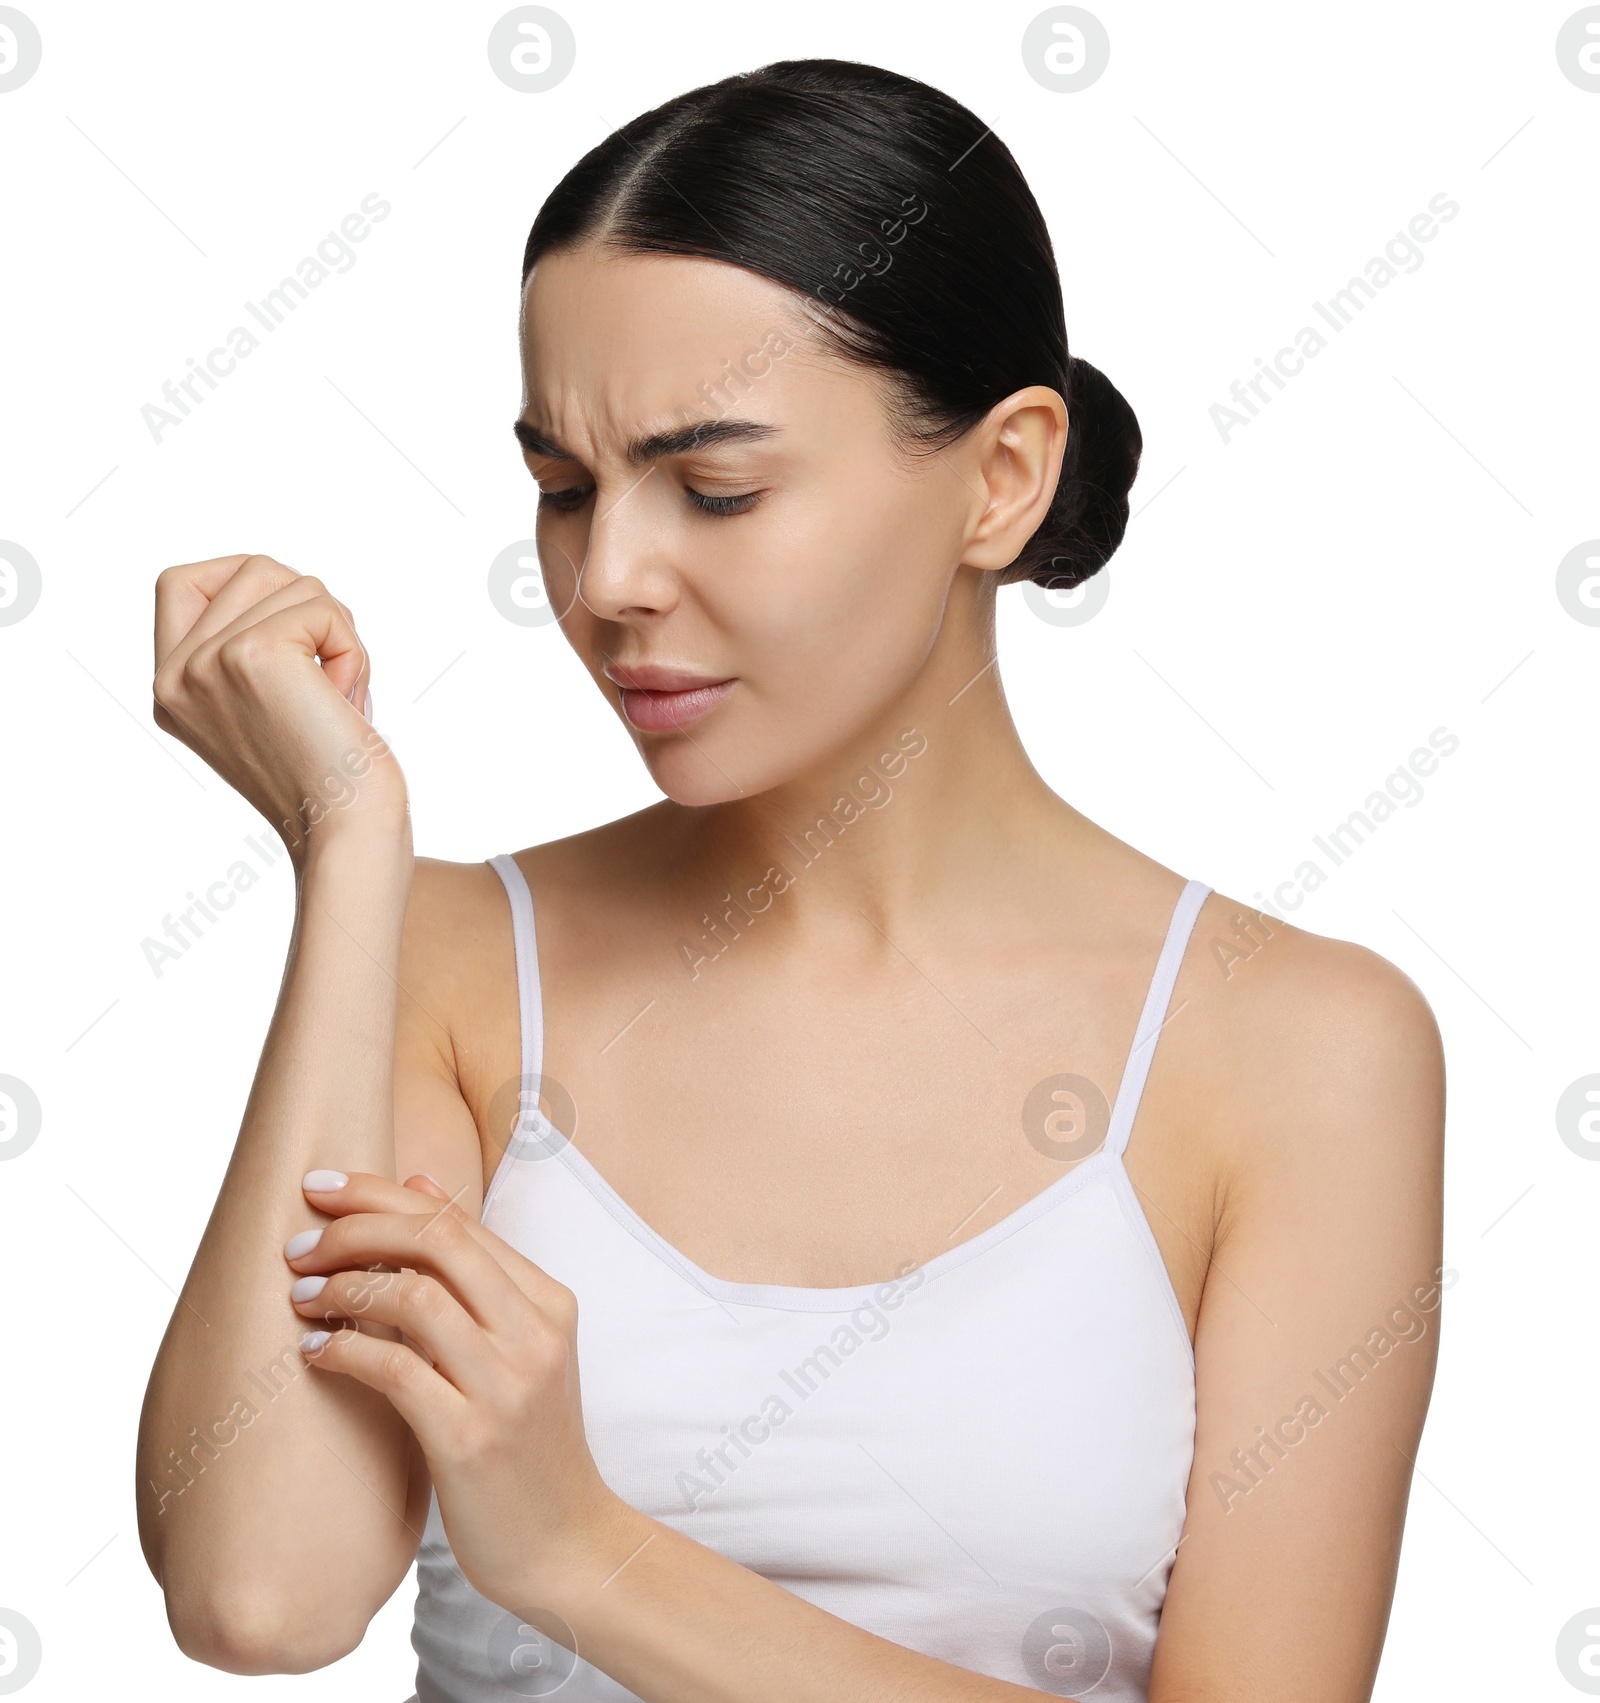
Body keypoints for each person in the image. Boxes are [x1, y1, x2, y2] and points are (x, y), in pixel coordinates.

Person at [136, 58, 1444, 1703]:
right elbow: (261, 1596)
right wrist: (349, 851)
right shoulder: (460, 964)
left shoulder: (1297, 1046)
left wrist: (580, 1552)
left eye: (718, 488)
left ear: (1002, 478)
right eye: (563, 488)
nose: (608, 579)